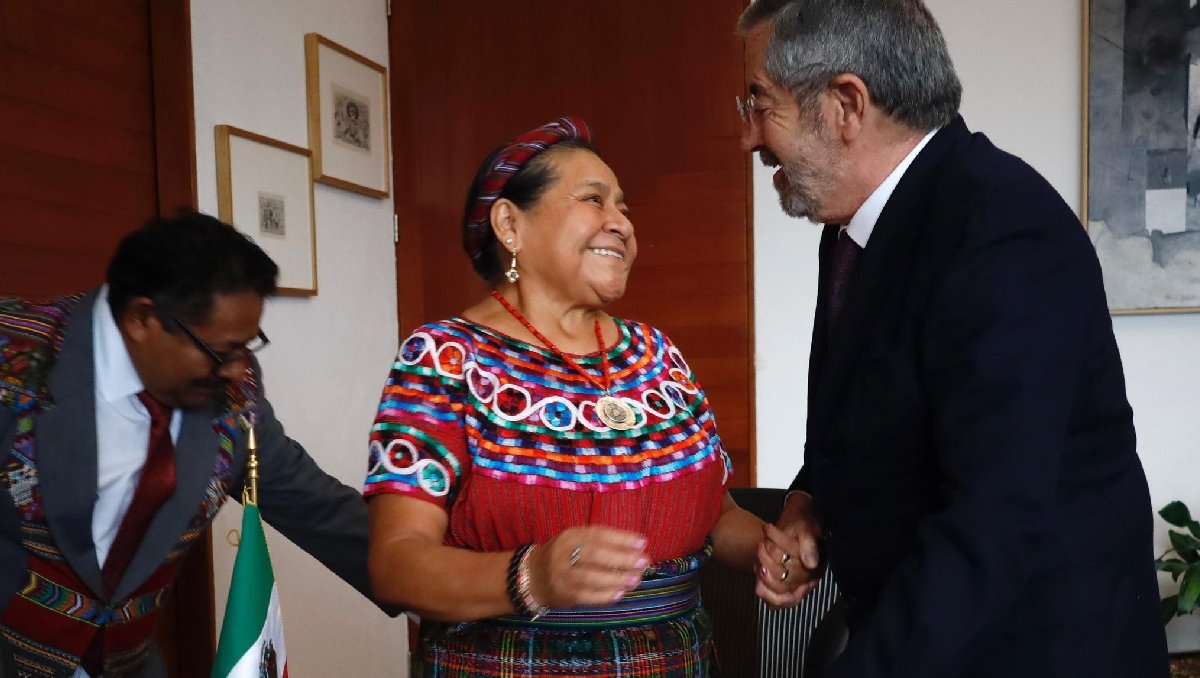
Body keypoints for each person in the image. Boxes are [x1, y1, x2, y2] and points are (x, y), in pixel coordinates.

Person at [736, 1, 1171, 675]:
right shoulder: (857, 227)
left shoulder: (1001, 229)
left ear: (846, 105)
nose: (749, 137)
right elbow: (878, 410)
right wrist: (808, 500)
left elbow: (993, 521)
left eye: (760, 104)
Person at [364, 117, 765, 676]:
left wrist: (770, 549)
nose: (621, 223)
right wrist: (531, 576)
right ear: (510, 224)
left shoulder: (657, 354)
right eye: (594, 200)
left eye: (623, 208)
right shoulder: (445, 358)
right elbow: (394, 563)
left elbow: (718, 514)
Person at [0, 211, 378, 677]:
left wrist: (424, 566)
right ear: (142, 319)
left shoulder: (232, 393)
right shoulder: (13, 355)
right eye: (222, 352)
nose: (238, 370)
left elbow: (311, 502)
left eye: (247, 347)